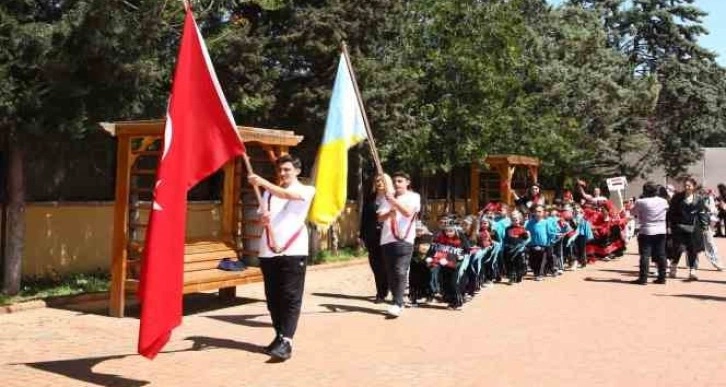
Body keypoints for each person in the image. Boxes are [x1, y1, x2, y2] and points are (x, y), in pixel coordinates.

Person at [247, 154, 316, 361]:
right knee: (273, 299)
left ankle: (287, 340)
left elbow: (288, 196)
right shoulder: (268, 195)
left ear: (297, 171)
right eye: (281, 170)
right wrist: (263, 219)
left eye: (287, 169)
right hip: (268, 250)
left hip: (293, 251)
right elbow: (262, 217)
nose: (283, 173)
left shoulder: (306, 189)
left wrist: (262, 182)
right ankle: (279, 335)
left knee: (290, 297)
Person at [377, 171, 421, 317]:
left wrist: (394, 202)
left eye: (400, 181)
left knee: (400, 271)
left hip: (405, 239)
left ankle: (397, 303)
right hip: (387, 239)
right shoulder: (387, 197)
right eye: (395, 181)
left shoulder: (413, 197)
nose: (396, 184)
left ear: (408, 182)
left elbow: (408, 213)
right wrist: (389, 212)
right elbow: (380, 218)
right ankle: (396, 300)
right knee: (390, 273)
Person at [359, 173, 393, 303]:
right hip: (372, 236)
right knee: (376, 265)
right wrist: (361, 235)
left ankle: (390, 287)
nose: (379, 183)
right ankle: (381, 292)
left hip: (389, 235)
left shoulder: (392, 197)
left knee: (387, 264)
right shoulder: (370, 198)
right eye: (377, 180)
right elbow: (364, 218)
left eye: (382, 180)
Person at [667, 177, 708, 281]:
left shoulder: (698, 199)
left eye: (689, 185)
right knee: (678, 249)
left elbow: (702, 213)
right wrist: (670, 225)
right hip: (679, 227)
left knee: (692, 250)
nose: (687, 187)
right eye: (685, 185)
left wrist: (704, 226)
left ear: (693, 187)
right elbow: (671, 212)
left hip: (694, 228)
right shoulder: (677, 198)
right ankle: (673, 268)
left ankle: (692, 271)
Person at [631, 182, 669, 285]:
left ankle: (643, 278)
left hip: (646, 230)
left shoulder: (641, 202)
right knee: (661, 254)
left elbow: (633, 213)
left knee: (645, 255)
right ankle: (662, 277)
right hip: (661, 230)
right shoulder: (663, 201)